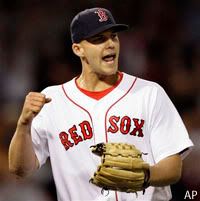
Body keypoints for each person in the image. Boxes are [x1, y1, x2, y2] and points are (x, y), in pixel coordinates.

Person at [9, 7, 193, 201]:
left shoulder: (149, 93)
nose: (110, 44)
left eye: (113, 36)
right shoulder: (53, 100)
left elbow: (173, 167)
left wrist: (144, 175)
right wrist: (23, 125)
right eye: (99, 39)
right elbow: (20, 169)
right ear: (77, 49)